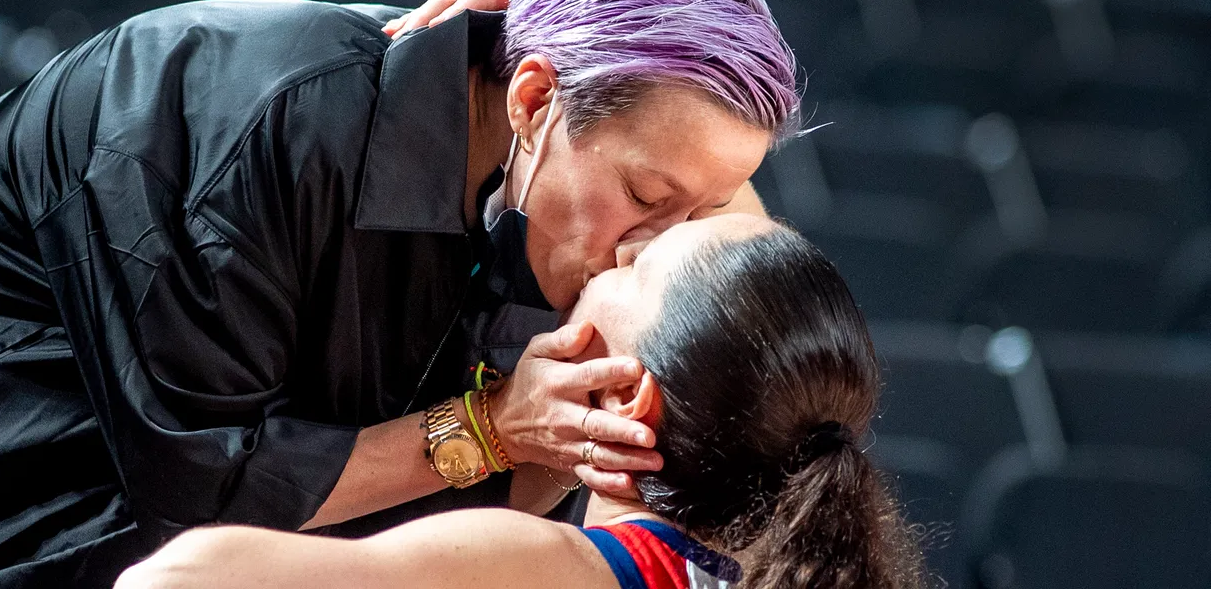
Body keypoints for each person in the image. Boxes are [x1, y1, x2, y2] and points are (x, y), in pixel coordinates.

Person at [0, 0, 802, 586]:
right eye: (648, 200)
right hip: (3, 476)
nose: (648, 247)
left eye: (699, 210)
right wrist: (488, 430)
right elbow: (197, 501)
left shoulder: (550, 154)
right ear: (535, 97)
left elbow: (756, 283)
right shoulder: (258, 116)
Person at [115, 213, 927, 589]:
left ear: (623, 395)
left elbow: (176, 583)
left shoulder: (555, 570)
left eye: (634, 270)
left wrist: (485, 435)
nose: (615, 250)